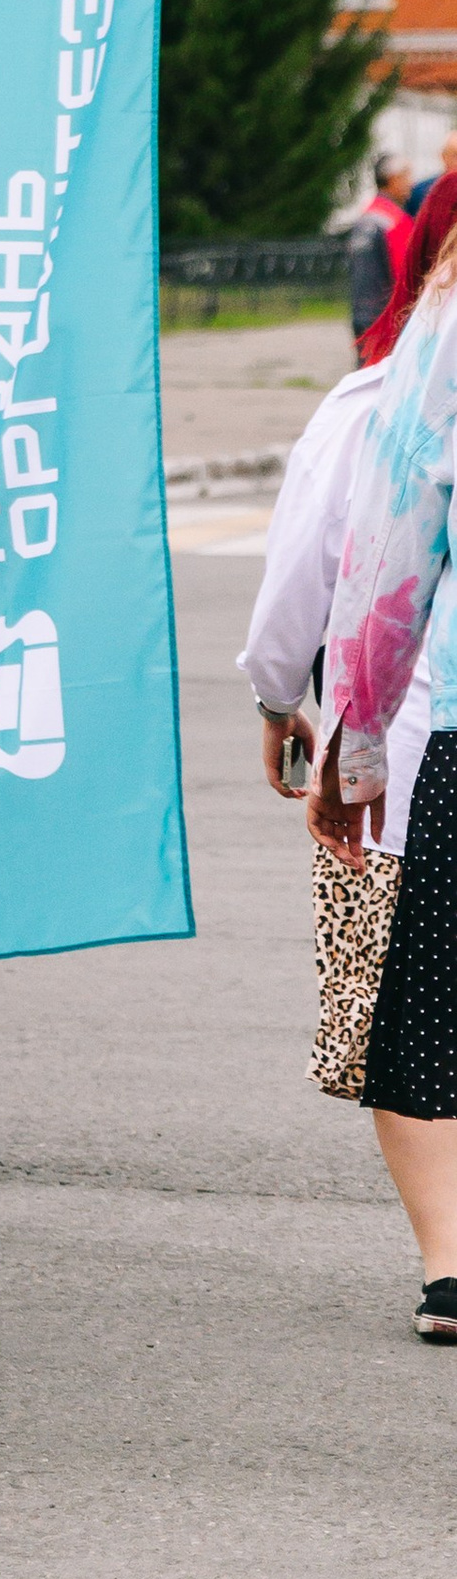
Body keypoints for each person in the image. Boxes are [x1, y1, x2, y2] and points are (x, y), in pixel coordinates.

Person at [312, 175, 457, 1336]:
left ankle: (452, 1261)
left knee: (428, 1016)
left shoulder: (446, 328)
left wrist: (355, 739)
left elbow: (391, 535)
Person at [349, 162, 416, 350]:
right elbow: (405, 275)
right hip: (388, 319)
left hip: (362, 314)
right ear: (392, 179)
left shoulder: (365, 217)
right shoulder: (396, 221)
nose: (410, 184)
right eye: (406, 177)